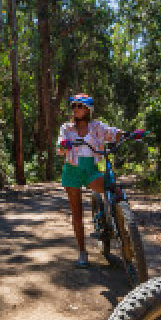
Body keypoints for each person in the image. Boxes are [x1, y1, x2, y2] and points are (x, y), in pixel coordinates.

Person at [58, 94, 123, 268]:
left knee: (111, 188)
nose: (76, 109)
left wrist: (126, 134)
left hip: (91, 170)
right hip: (72, 171)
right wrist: (63, 144)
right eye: (74, 106)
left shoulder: (97, 127)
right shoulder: (67, 128)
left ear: (88, 109)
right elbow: (61, 143)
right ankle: (82, 252)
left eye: (80, 106)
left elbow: (112, 133)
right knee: (77, 214)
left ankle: (119, 222)